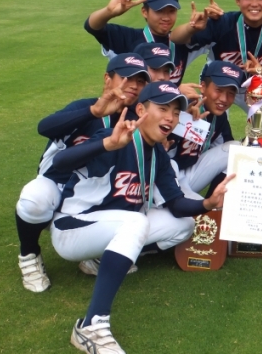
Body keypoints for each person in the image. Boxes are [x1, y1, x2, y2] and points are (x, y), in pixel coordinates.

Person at [51, 82, 235, 353]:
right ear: (140, 110)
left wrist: (207, 203)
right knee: (135, 222)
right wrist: (106, 144)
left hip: (110, 227)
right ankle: (91, 325)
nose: (170, 118)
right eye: (163, 109)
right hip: (72, 228)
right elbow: (60, 163)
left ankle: (102, 260)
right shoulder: (115, 137)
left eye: (175, 112)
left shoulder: (158, 153)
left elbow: (176, 204)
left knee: (183, 225)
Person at [15, 53, 150, 293]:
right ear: (107, 79)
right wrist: (93, 112)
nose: (134, 85)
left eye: (140, 81)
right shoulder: (84, 107)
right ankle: (29, 254)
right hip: (57, 185)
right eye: (127, 77)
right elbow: (44, 127)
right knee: (34, 199)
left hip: (94, 193)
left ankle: (93, 256)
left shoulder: (136, 118)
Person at [84, 0, 219, 98]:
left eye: (171, 11)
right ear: (144, 12)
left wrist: (217, 18)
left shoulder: (182, 41)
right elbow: (92, 27)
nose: (166, 17)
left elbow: (216, 31)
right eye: (159, 11)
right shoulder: (129, 38)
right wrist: (109, 11)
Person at [170, 61, 243, 199]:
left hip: (189, 174)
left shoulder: (219, 118)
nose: (224, 99)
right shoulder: (181, 106)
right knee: (192, 211)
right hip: (163, 174)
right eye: (218, 90)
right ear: (203, 87)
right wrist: (180, 119)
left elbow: (228, 151)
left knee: (236, 149)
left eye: (231, 93)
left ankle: (213, 202)